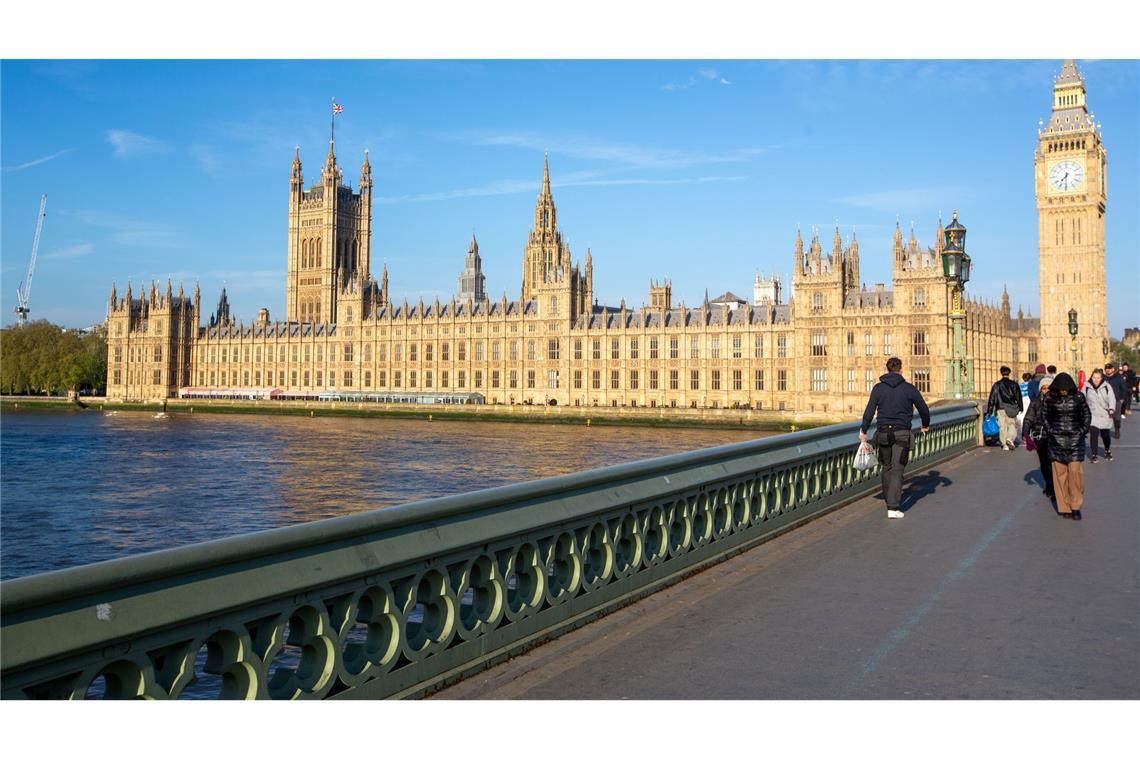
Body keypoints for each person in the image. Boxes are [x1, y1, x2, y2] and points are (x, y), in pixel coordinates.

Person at [860, 356, 931, 519]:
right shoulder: (909, 388)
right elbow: (924, 409)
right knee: (898, 469)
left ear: (887, 369)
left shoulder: (878, 388)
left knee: (887, 467)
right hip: (901, 433)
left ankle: (888, 498)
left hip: (883, 433)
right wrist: (925, 424)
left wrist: (863, 430)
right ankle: (893, 507)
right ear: (901, 370)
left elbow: (869, 411)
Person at [1042, 372, 1092, 520]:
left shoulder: (1078, 398)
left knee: (1075, 474)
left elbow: (1087, 415)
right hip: (1056, 441)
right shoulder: (1049, 398)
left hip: (1075, 441)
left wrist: (1081, 431)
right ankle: (1065, 507)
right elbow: (1044, 417)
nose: (1063, 391)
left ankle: (1075, 506)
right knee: (1060, 476)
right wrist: (1051, 432)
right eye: (1060, 389)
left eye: (1065, 389)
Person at [1022, 374, 1055, 499]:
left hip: (1052, 436)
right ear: (1040, 389)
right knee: (1044, 462)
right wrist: (1025, 432)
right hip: (1039, 435)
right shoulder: (1036, 402)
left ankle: (1052, 486)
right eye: (1044, 388)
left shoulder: (1056, 402)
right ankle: (1048, 481)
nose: (1046, 391)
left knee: (1053, 462)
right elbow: (1029, 417)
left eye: (1048, 388)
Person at [986, 366, 1022, 450]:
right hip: (1011, 408)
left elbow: (992, 398)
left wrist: (989, 410)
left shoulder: (997, 385)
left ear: (1001, 373)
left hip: (1000, 407)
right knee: (1012, 425)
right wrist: (1020, 407)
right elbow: (1018, 397)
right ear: (1009, 373)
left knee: (1002, 426)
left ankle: (1004, 444)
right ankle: (1009, 438)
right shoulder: (1014, 384)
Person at [1083, 368, 1116, 462]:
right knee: (1093, 434)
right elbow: (1081, 398)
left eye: (1098, 378)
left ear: (1101, 378)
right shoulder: (1086, 386)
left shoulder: (1107, 386)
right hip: (1093, 414)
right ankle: (1094, 454)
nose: (1096, 380)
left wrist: (1112, 409)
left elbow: (1112, 398)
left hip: (1105, 414)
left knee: (1105, 435)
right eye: (1094, 377)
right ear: (1091, 377)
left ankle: (1107, 450)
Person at [1103, 363, 1127, 438]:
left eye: (1109, 368)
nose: (1108, 370)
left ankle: (1117, 429)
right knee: (1105, 417)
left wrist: (1122, 398)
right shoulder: (1103, 378)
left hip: (1116, 400)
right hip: (1105, 401)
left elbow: (1123, 388)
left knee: (1116, 417)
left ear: (1113, 369)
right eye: (1106, 369)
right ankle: (1105, 431)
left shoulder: (1118, 378)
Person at [1017, 371, 1032, 443]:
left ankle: (1020, 436)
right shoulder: (1031, 385)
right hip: (1029, 401)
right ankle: (1028, 436)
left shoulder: (1019, 386)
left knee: (1021, 419)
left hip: (1021, 402)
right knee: (1029, 419)